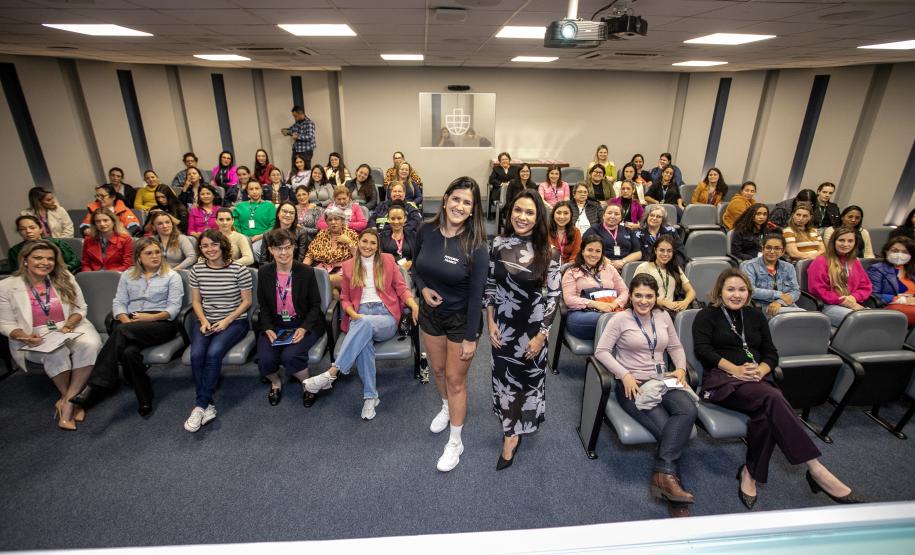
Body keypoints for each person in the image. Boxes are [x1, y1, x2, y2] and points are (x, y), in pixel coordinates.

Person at [692, 268, 859, 508]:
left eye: (741, 290)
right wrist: (735, 369)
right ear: (720, 291)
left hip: (758, 381)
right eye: (730, 289)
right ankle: (815, 467)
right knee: (773, 398)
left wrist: (762, 369)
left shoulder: (756, 316)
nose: (736, 295)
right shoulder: (707, 316)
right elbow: (703, 350)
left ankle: (750, 473)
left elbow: (771, 352)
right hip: (722, 381)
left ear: (749, 293)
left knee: (766, 414)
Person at [595, 274, 698, 513]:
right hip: (634, 385)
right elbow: (602, 351)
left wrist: (681, 368)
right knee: (668, 432)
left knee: (688, 410)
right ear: (630, 296)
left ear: (656, 297)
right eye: (638, 295)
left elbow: (674, 347)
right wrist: (625, 374)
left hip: (662, 380)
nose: (644, 301)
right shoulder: (620, 319)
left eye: (649, 296)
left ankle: (663, 476)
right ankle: (674, 497)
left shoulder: (662, 317)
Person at [412, 177, 488, 472]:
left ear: (473, 210)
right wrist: (422, 290)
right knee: (439, 370)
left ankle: (456, 441)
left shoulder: (477, 245)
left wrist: (471, 337)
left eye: (467, 202)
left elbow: (477, 296)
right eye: (456, 199)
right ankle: (445, 407)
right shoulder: (425, 230)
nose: (460, 206)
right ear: (445, 200)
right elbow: (415, 266)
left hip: (461, 320)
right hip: (431, 315)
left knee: (456, 381)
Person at [303, 228, 420, 418]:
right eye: (364, 241)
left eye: (373, 243)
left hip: (386, 316)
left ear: (378, 245)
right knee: (364, 345)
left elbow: (401, 288)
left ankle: (332, 372)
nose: (368, 246)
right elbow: (345, 298)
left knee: (363, 324)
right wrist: (351, 313)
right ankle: (370, 397)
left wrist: (413, 305)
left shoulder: (388, 260)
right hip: (360, 316)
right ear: (358, 243)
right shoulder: (349, 266)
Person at [485, 190, 561, 469]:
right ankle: (509, 434)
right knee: (504, 382)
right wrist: (490, 321)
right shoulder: (497, 244)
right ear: (510, 212)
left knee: (528, 382)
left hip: (533, 329)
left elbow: (554, 297)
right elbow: (490, 286)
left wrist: (542, 335)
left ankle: (521, 425)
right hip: (502, 327)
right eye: (518, 210)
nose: (523, 217)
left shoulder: (550, 252)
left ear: (538, 217)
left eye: (530, 212)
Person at [70, 238, 183, 417]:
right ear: (138, 257)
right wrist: (126, 320)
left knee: (121, 332)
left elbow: (173, 308)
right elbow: (119, 302)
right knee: (129, 353)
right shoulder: (127, 275)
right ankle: (144, 399)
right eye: (149, 253)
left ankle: (94, 385)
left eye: (157, 252)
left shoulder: (171, 276)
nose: (155, 256)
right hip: (130, 321)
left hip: (160, 322)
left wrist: (149, 318)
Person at [0, 240, 102, 430]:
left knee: (90, 345)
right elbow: (5, 323)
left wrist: (69, 325)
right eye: (38, 258)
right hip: (34, 334)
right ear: (24, 260)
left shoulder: (64, 277)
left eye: (50, 259)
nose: (44, 262)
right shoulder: (6, 286)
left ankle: (68, 402)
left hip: (69, 326)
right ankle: (70, 399)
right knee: (55, 352)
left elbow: (81, 307)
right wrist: (23, 336)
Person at [184, 229, 253, 432]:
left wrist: (226, 321)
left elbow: (247, 302)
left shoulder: (239, 270)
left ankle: (201, 405)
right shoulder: (197, 270)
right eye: (204, 246)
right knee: (197, 355)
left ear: (223, 245)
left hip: (234, 322)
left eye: (214, 244)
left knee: (214, 353)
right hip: (206, 321)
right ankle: (207, 405)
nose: (210, 249)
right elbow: (196, 301)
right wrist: (203, 320)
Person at [255, 229, 325, 406]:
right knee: (265, 358)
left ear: (293, 247)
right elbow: (263, 306)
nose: (284, 252)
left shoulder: (306, 272)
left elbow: (316, 305)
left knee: (290, 356)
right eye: (278, 248)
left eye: (287, 247)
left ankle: (308, 385)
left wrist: (303, 328)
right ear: (271, 250)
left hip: (304, 322)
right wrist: (268, 328)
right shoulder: (263, 273)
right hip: (276, 323)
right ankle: (276, 383)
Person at [561, 235, 629, 339]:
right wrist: (596, 304)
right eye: (590, 250)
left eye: (598, 251)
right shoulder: (572, 272)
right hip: (582, 314)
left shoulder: (610, 269)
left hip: (611, 310)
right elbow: (569, 299)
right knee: (610, 320)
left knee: (630, 317)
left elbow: (625, 291)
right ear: (583, 251)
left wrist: (615, 304)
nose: (594, 254)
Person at [807, 226, 872, 326]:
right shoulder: (820, 262)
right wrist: (843, 301)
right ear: (833, 242)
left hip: (852, 302)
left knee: (874, 319)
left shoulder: (855, 262)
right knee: (860, 321)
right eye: (841, 240)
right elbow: (818, 290)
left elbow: (866, 287)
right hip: (828, 305)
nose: (846, 244)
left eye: (850, 241)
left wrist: (854, 297)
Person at [740, 234, 803, 317]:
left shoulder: (789, 267)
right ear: (762, 249)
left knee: (805, 318)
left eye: (777, 248)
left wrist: (779, 302)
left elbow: (795, 291)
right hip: (760, 308)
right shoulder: (749, 266)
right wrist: (778, 294)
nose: (772, 251)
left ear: (783, 251)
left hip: (785, 305)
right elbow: (750, 290)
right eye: (768, 247)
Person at [634, 235, 695, 315]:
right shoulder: (644, 267)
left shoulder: (675, 268)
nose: (665, 254)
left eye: (669, 251)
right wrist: (663, 302)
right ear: (655, 251)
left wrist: (685, 302)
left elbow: (691, 291)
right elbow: (637, 295)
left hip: (670, 312)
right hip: (649, 311)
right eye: (662, 250)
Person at [304, 206, 358, 290]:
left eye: (336, 219)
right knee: (333, 292)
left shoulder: (351, 234)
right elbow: (310, 254)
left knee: (324, 280)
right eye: (330, 220)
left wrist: (349, 243)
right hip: (324, 269)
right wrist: (302, 269)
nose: (333, 222)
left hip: (344, 270)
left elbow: (359, 257)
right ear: (327, 222)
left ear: (342, 220)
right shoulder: (322, 234)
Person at [867, 237, 915, 326]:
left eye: (905, 252)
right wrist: (902, 300)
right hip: (890, 308)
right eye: (895, 251)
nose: (899, 255)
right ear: (886, 252)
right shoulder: (877, 269)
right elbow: (873, 295)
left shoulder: (912, 271)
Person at [8, 215, 80, 274]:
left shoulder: (56, 243)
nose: (28, 231)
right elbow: (17, 271)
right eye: (22, 229)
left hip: (60, 276)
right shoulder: (15, 250)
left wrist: (60, 270)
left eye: (32, 227)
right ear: (19, 232)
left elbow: (75, 261)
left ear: (41, 229)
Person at [586, 203, 642, 271]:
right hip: (600, 266)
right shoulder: (593, 230)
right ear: (603, 215)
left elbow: (638, 253)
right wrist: (607, 262)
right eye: (609, 213)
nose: (612, 216)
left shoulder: (628, 230)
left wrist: (623, 261)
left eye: (616, 214)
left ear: (621, 218)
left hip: (625, 267)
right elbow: (586, 250)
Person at [232, 180, 277, 260]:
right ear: (247, 191)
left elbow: (274, 225)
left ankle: (261, 270)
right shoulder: (240, 206)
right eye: (251, 189)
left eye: (257, 188)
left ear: (261, 190)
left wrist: (260, 236)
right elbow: (235, 224)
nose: (254, 191)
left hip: (262, 237)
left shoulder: (269, 206)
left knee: (255, 249)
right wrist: (243, 236)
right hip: (243, 237)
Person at [379, 202, 417, 270]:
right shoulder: (382, 236)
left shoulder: (413, 235)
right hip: (389, 271)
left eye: (399, 218)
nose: (396, 222)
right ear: (388, 219)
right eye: (393, 218)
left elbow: (418, 255)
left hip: (410, 271)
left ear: (405, 219)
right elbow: (379, 257)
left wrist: (411, 263)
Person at [283, 105, 316, 170]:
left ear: (301, 113)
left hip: (305, 151)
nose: (294, 118)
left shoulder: (309, 123)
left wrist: (297, 136)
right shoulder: (297, 124)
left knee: (306, 170)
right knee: (294, 169)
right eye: (293, 116)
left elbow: (310, 136)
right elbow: (290, 130)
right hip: (296, 151)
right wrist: (287, 131)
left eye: (295, 116)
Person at [488, 152, 517, 217]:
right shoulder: (496, 169)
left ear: (509, 160)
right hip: (499, 190)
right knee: (504, 190)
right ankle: (505, 213)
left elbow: (517, 179)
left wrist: (510, 183)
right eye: (502, 159)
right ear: (500, 161)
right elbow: (492, 180)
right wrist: (502, 183)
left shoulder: (515, 169)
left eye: (506, 159)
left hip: (512, 189)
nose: (504, 161)